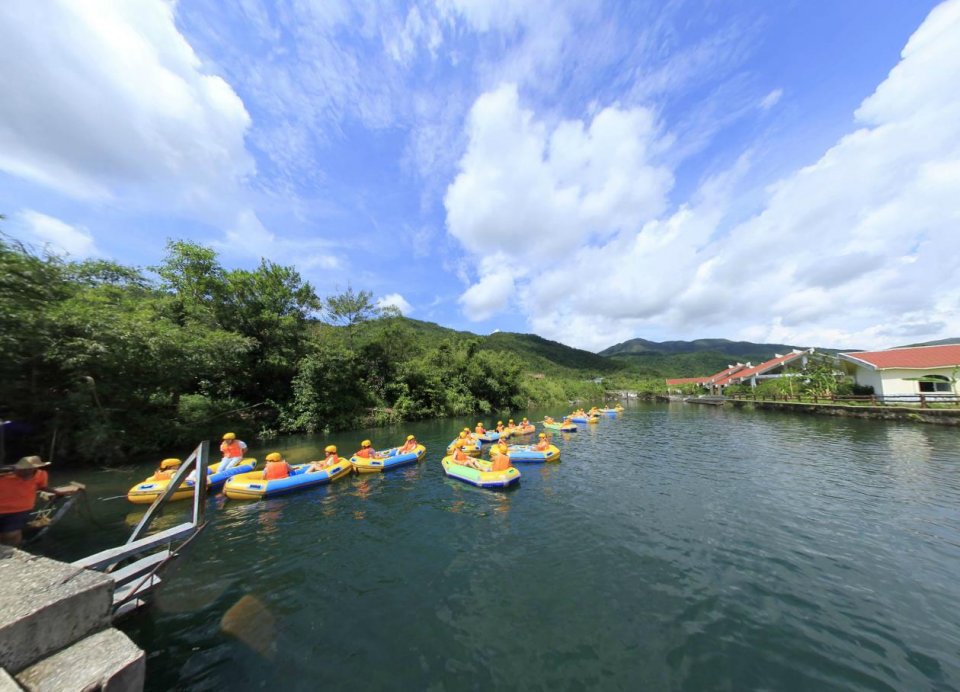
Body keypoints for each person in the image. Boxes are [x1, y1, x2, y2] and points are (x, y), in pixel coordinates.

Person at [0, 456, 69, 547]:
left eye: (27, 470)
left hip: (20, 509)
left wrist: (56, 492)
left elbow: (42, 487)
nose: (23, 472)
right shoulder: (4, 475)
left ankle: (15, 550)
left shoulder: (41, 474)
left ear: (34, 469)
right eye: (22, 469)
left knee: (11, 533)